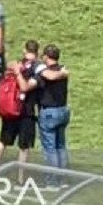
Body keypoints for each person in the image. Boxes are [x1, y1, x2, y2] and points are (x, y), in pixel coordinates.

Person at [0, 40, 45, 177]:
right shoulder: (38, 67)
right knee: (24, 147)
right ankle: (21, 179)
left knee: (2, 142)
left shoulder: (16, 64)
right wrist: (19, 74)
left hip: (10, 110)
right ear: (37, 52)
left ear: (25, 50)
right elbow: (25, 87)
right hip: (26, 111)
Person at [36, 45, 70, 186]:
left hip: (49, 112)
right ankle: (63, 180)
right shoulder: (62, 69)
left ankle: (52, 182)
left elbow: (49, 76)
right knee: (60, 146)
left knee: (50, 148)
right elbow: (61, 74)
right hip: (63, 111)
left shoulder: (44, 71)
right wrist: (63, 73)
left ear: (46, 56)